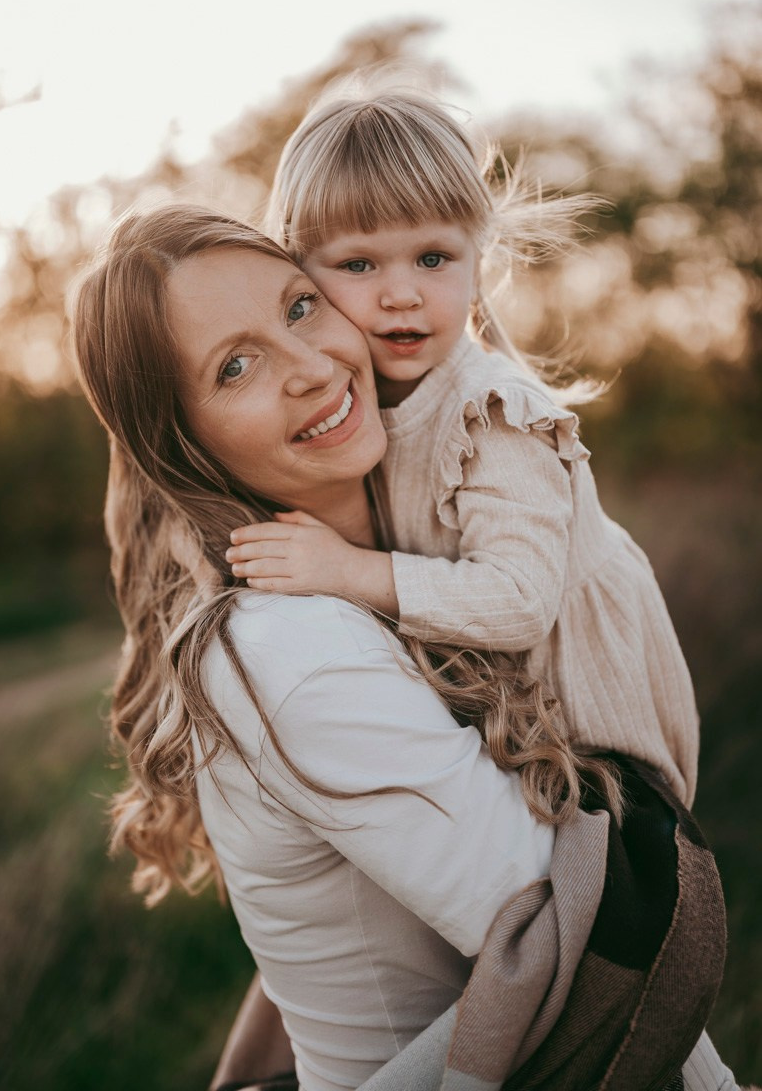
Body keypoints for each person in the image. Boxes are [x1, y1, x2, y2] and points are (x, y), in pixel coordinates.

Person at [71, 204, 734, 1091]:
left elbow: (341, 934)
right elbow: (577, 947)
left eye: (300, 307)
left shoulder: (400, 557)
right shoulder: (291, 650)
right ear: (182, 445)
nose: (312, 366)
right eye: (236, 366)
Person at [225, 87, 700, 810]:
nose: (401, 294)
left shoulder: (493, 416)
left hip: (603, 747)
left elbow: (518, 601)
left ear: (480, 258)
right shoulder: (360, 403)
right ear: (301, 279)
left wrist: (350, 571)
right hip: (523, 730)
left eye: (433, 257)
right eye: (357, 266)